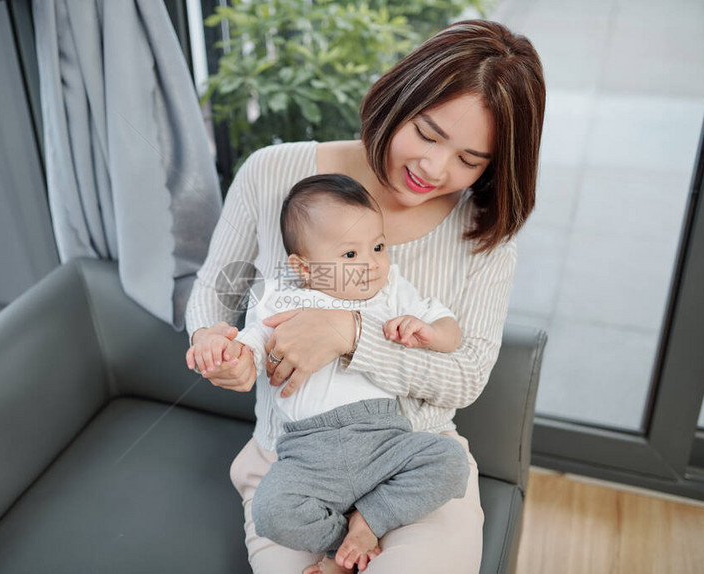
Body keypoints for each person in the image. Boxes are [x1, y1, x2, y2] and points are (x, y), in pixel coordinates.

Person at [185, 19, 545, 574]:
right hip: (291, 460)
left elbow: (468, 375)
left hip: (411, 457)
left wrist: (350, 337)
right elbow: (216, 289)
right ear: (397, 97)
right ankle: (340, 548)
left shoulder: (484, 234)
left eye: (470, 160)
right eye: (427, 133)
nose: (435, 168)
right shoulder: (273, 172)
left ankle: (365, 534)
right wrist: (213, 339)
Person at [187, 174, 470, 572]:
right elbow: (248, 347)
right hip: (307, 451)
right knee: (272, 512)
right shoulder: (279, 296)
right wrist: (223, 352)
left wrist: (431, 332)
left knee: (449, 460)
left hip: (384, 438)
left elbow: (449, 328)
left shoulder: (390, 291)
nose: (372, 264)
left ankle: (367, 523)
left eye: (378, 246)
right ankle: (349, 540)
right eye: (350, 256)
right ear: (302, 268)